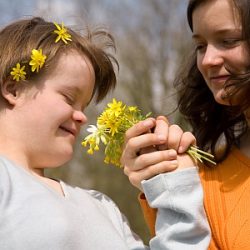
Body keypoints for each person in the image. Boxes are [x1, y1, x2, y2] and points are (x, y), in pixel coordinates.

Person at [0, 16, 191, 250]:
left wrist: (174, 187)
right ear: (14, 89)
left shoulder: (103, 206)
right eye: (69, 98)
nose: (82, 117)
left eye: (84, 106)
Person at [121, 0, 250, 249]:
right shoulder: (200, 181)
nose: (208, 60)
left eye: (229, 40)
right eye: (201, 46)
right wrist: (167, 183)